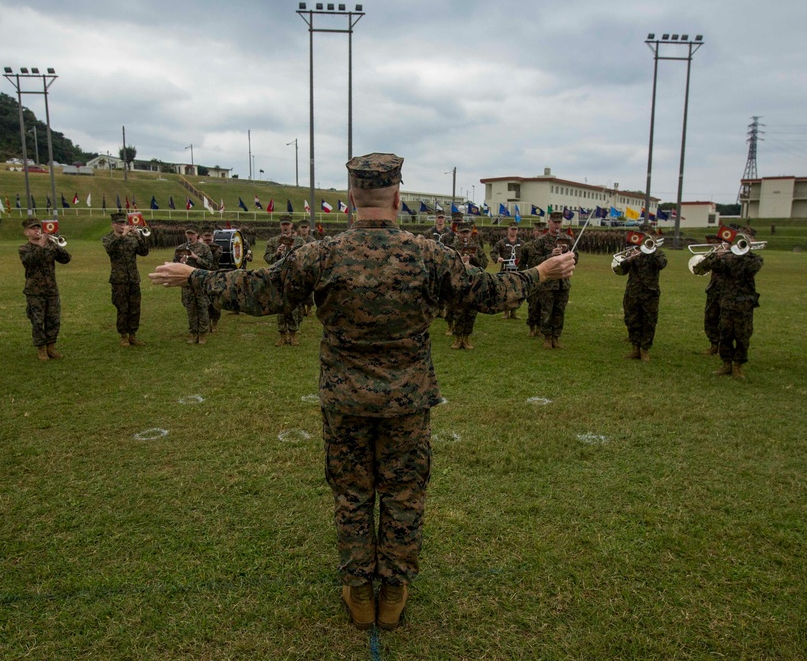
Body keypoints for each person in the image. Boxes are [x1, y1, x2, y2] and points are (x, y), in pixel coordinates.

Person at [150, 153, 576, 631]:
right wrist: (543, 273)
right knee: (403, 494)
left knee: (352, 494)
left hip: (345, 400)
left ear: (351, 197)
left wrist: (196, 276)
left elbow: (261, 292)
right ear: (397, 196)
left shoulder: (322, 253)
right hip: (407, 402)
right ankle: (393, 586)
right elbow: (489, 293)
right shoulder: (428, 253)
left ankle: (359, 586)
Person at [693, 226, 763, 380]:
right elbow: (706, 267)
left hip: (744, 304)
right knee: (725, 335)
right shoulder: (725, 258)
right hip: (726, 302)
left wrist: (741, 252)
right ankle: (726, 364)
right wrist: (717, 255)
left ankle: (738, 366)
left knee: (742, 336)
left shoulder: (754, 259)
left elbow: (749, 269)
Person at [18, 218, 71, 360]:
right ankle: (41, 348)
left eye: (38, 228)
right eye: (33, 228)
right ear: (26, 232)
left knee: (53, 319)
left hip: (51, 290)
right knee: (37, 321)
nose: (37, 230)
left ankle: (51, 347)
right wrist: (41, 245)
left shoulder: (50, 246)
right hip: (34, 291)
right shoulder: (24, 249)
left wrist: (55, 245)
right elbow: (29, 262)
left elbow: (66, 259)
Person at [521, 214, 575, 349]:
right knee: (546, 311)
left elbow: (576, 258)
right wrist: (550, 255)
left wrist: (568, 253)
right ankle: (547, 337)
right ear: (549, 222)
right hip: (547, 283)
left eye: (559, 222)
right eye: (554, 222)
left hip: (563, 283)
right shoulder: (540, 241)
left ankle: (556, 337)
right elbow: (533, 261)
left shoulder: (567, 240)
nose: (557, 225)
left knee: (559, 311)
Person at [615, 231, 667, 361]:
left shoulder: (658, 253)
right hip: (633, 292)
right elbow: (621, 269)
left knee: (649, 321)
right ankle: (635, 348)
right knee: (632, 320)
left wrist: (652, 249)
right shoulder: (633, 251)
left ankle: (645, 350)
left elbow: (662, 264)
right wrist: (629, 258)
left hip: (650, 293)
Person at [102, 212, 150, 346]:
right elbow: (111, 250)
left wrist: (138, 236)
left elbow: (144, 252)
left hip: (133, 278)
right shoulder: (108, 238)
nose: (123, 225)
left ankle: (132, 335)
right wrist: (123, 235)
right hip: (119, 279)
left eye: (124, 223)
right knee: (122, 308)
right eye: (120, 223)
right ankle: (123, 335)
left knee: (135, 307)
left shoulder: (131, 238)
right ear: (113, 225)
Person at [263, 215, 305, 345]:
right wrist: (276, 253)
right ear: (280, 226)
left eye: (287, 224)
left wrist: (293, 253)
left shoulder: (299, 241)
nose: (285, 226)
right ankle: (282, 334)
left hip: (293, 277)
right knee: (280, 306)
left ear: (292, 226)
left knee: (293, 306)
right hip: (278, 277)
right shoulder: (273, 241)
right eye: (283, 224)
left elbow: (305, 257)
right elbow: (267, 258)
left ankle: (293, 334)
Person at [448, 223, 486, 349]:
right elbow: (447, 265)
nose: (465, 235)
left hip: (473, 282)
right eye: (462, 232)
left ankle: (466, 338)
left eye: (467, 232)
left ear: (471, 233)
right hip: (458, 282)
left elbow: (484, 264)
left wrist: (474, 259)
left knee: (471, 311)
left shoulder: (476, 247)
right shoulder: (452, 248)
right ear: (458, 233)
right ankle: (458, 338)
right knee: (458, 310)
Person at [174, 227, 215, 344]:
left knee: (202, 308)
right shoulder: (180, 248)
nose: (190, 236)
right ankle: (193, 334)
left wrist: (196, 257)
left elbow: (209, 264)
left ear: (197, 235)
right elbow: (174, 265)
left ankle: (202, 334)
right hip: (187, 283)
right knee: (190, 309)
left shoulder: (204, 248)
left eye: (192, 234)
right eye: (188, 234)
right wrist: (180, 262)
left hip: (200, 283)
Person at [493, 223, 524, 319]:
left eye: (515, 229)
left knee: (516, 290)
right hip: (505, 269)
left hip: (517, 270)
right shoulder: (502, 242)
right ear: (508, 230)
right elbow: (493, 252)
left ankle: (513, 312)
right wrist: (498, 258)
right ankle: (506, 312)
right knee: (506, 290)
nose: (513, 231)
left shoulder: (521, 243)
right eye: (512, 229)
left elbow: (527, 253)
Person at [701, 234, 724, 355]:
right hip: (714, 289)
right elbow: (703, 268)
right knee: (710, 317)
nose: (715, 245)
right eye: (713, 243)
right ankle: (714, 344)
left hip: (727, 291)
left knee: (725, 320)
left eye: (717, 242)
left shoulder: (734, 255)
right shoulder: (714, 255)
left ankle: (724, 347)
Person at [200, 228, 223, 330]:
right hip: (202, 276)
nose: (207, 241)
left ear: (212, 238)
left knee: (215, 301)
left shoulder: (218, 247)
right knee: (204, 301)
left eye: (209, 239)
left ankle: (215, 321)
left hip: (214, 276)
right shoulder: (198, 247)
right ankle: (207, 321)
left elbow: (215, 257)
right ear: (202, 238)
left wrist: (205, 247)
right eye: (205, 240)